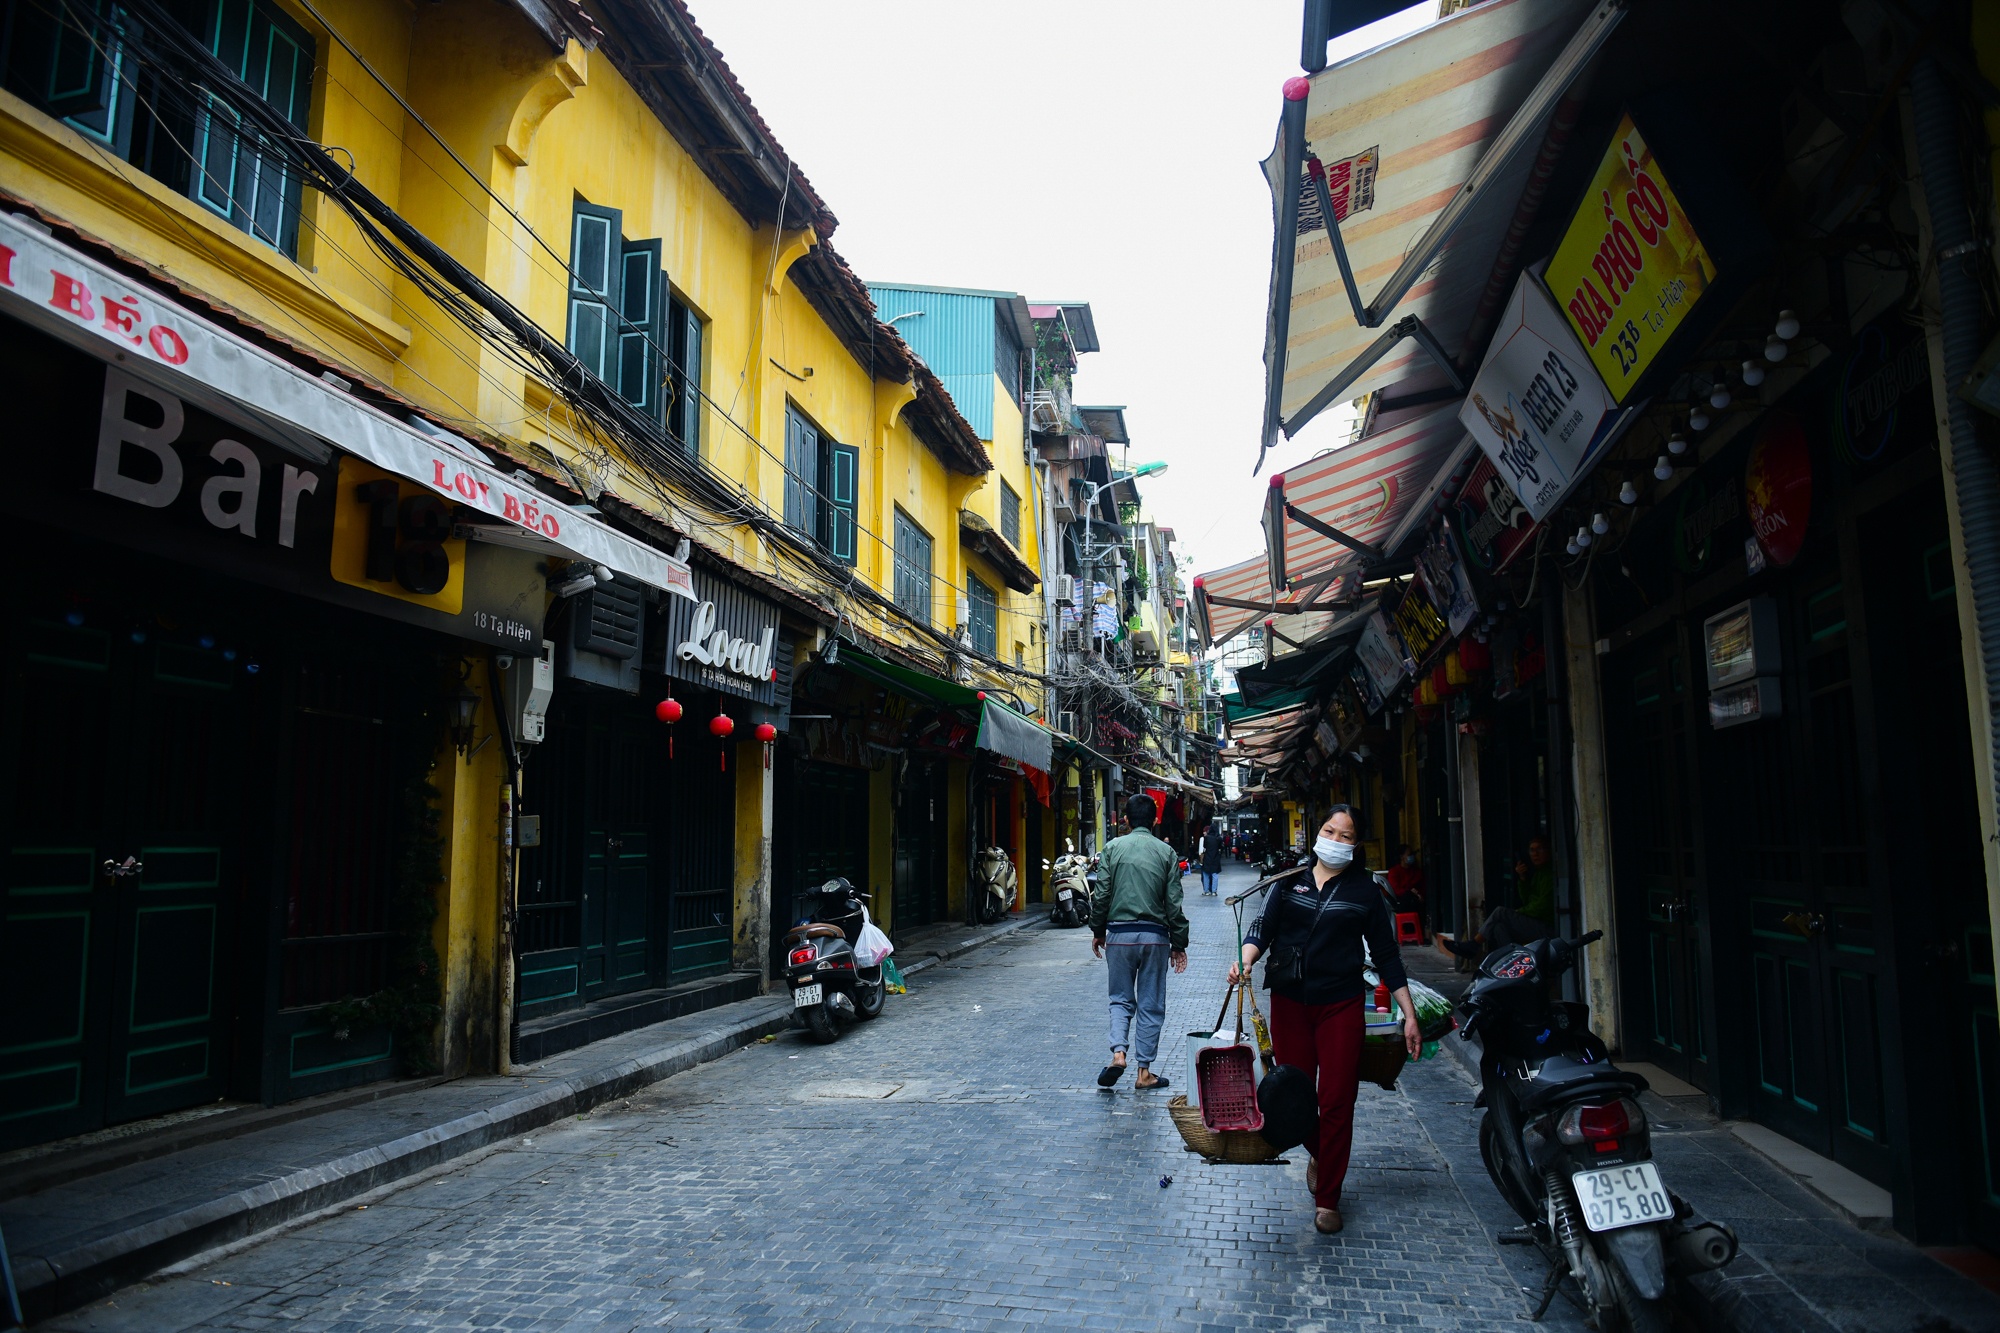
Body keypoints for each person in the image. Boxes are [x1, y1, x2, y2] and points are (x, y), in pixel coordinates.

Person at [1229, 806, 1419, 1235]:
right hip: (1290, 1004)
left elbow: (1387, 954)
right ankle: (1321, 1149)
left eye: (1345, 834)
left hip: (1341, 1005)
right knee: (1293, 1096)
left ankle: (1328, 1197)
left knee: (1336, 1100)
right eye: (1329, 830)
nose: (1335, 839)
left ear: (1356, 844)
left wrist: (1409, 1015)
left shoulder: (1365, 892)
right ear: (1317, 834)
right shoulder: (1287, 882)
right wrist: (1244, 961)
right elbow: (1261, 929)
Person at [1091, 793, 1190, 1091]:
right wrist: (1179, 943)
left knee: (1120, 999)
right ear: (1156, 820)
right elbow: (1174, 903)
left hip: (1119, 937)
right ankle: (1144, 1073)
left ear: (1125, 821)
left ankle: (1119, 1054)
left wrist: (1098, 929)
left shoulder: (1111, 848)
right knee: (1150, 1003)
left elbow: (1102, 894)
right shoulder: (1167, 853)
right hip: (1155, 938)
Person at [1437, 835, 1555, 962]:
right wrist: (1522, 879)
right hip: (1534, 922)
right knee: (1499, 927)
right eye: (1532, 850)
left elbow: (1543, 906)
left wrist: (1520, 912)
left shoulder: (1550, 874)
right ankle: (1512, 960)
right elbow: (1527, 899)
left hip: (1547, 926)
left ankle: (1474, 944)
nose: (1535, 854)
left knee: (1500, 912)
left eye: (1540, 849)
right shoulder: (1538, 873)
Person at [1385, 843, 1425, 939]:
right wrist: (1410, 891)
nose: (1411, 857)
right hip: (1401, 901)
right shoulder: (1394, 872)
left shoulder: (1415, 871)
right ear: (1402, 856)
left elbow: (1421, 885)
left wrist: (1419, 895)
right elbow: (1396, 890)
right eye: (1409, 854)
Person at [1198, 822, 1224, 896]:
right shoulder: (1219, 838)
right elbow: (1220, 848)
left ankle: (1206, 891)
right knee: (1214, 874)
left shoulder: (1206, 838)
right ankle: (1214, 891)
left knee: (1206, 874)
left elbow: (1205, 847)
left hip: (1207, 857)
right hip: (1215, 858)